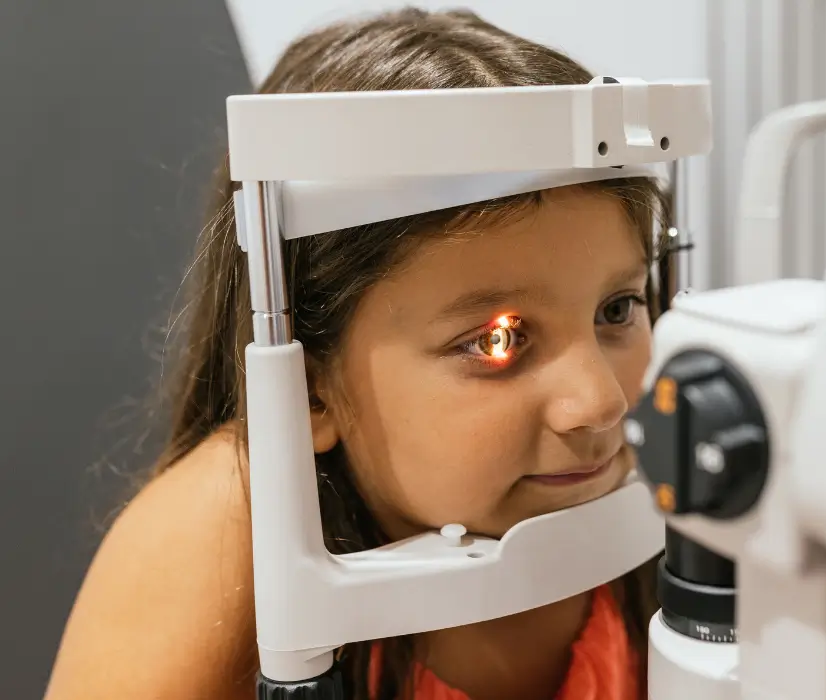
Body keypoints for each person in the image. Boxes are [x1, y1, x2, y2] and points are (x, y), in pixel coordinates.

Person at [44, 8, 669, 700]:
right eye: (498, 340)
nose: (601, 402)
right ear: (309, 391)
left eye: (618, 309)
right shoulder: (225, 532)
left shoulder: (659, 498)